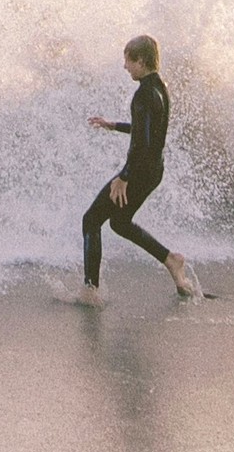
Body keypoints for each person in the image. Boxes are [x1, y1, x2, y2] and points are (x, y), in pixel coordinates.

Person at [82, 34, 201, 299]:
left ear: (142, 61)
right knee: (120, 223)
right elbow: (147, 131)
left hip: (139, 171)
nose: (125, 66)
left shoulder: (143, 95)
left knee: (91, 220)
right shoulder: (159, 87)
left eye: (128, 60)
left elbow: (143, 143)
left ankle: (90, 290)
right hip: (153, 171)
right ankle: (171, 260)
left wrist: (124, 177)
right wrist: (114, 125)